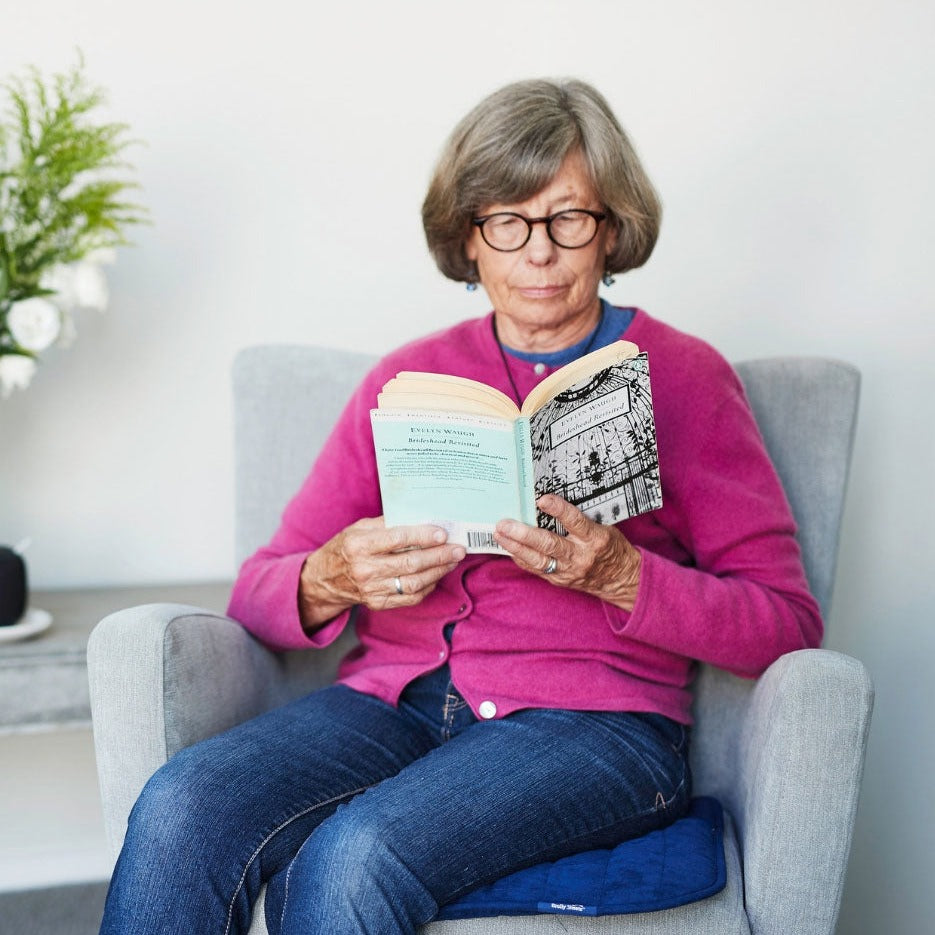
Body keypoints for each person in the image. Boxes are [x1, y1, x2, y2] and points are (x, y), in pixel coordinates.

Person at [99, 78, 822, 935]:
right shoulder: (408, 379)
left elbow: (784, 622)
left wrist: (624, 576)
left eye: (567, 219)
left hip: (594, 727)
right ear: (468, 239)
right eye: (506, 222)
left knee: (356, 855)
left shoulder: (685, 376)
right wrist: (330, 577)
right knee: (184, 804)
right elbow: (256, 591)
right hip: (397, 703)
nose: (538, 254)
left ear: (612, 229)